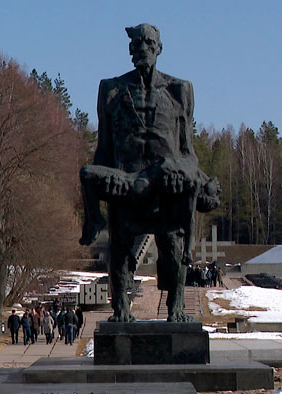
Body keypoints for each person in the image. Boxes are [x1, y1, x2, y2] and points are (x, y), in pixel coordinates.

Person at [78, 23, 220, 322]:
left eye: (148, 42)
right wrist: (102, 182)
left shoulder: (179, 90)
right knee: (119, 245)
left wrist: (195, 177)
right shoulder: (111, 89)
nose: (142, 47)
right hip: (126, 181)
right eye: (137, 43)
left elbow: (187, 151)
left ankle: (176, 307)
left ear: (158, 48)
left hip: (165, 184)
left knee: (173, 244)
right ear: (130, 50)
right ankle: (121, 309)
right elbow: (104, 146)